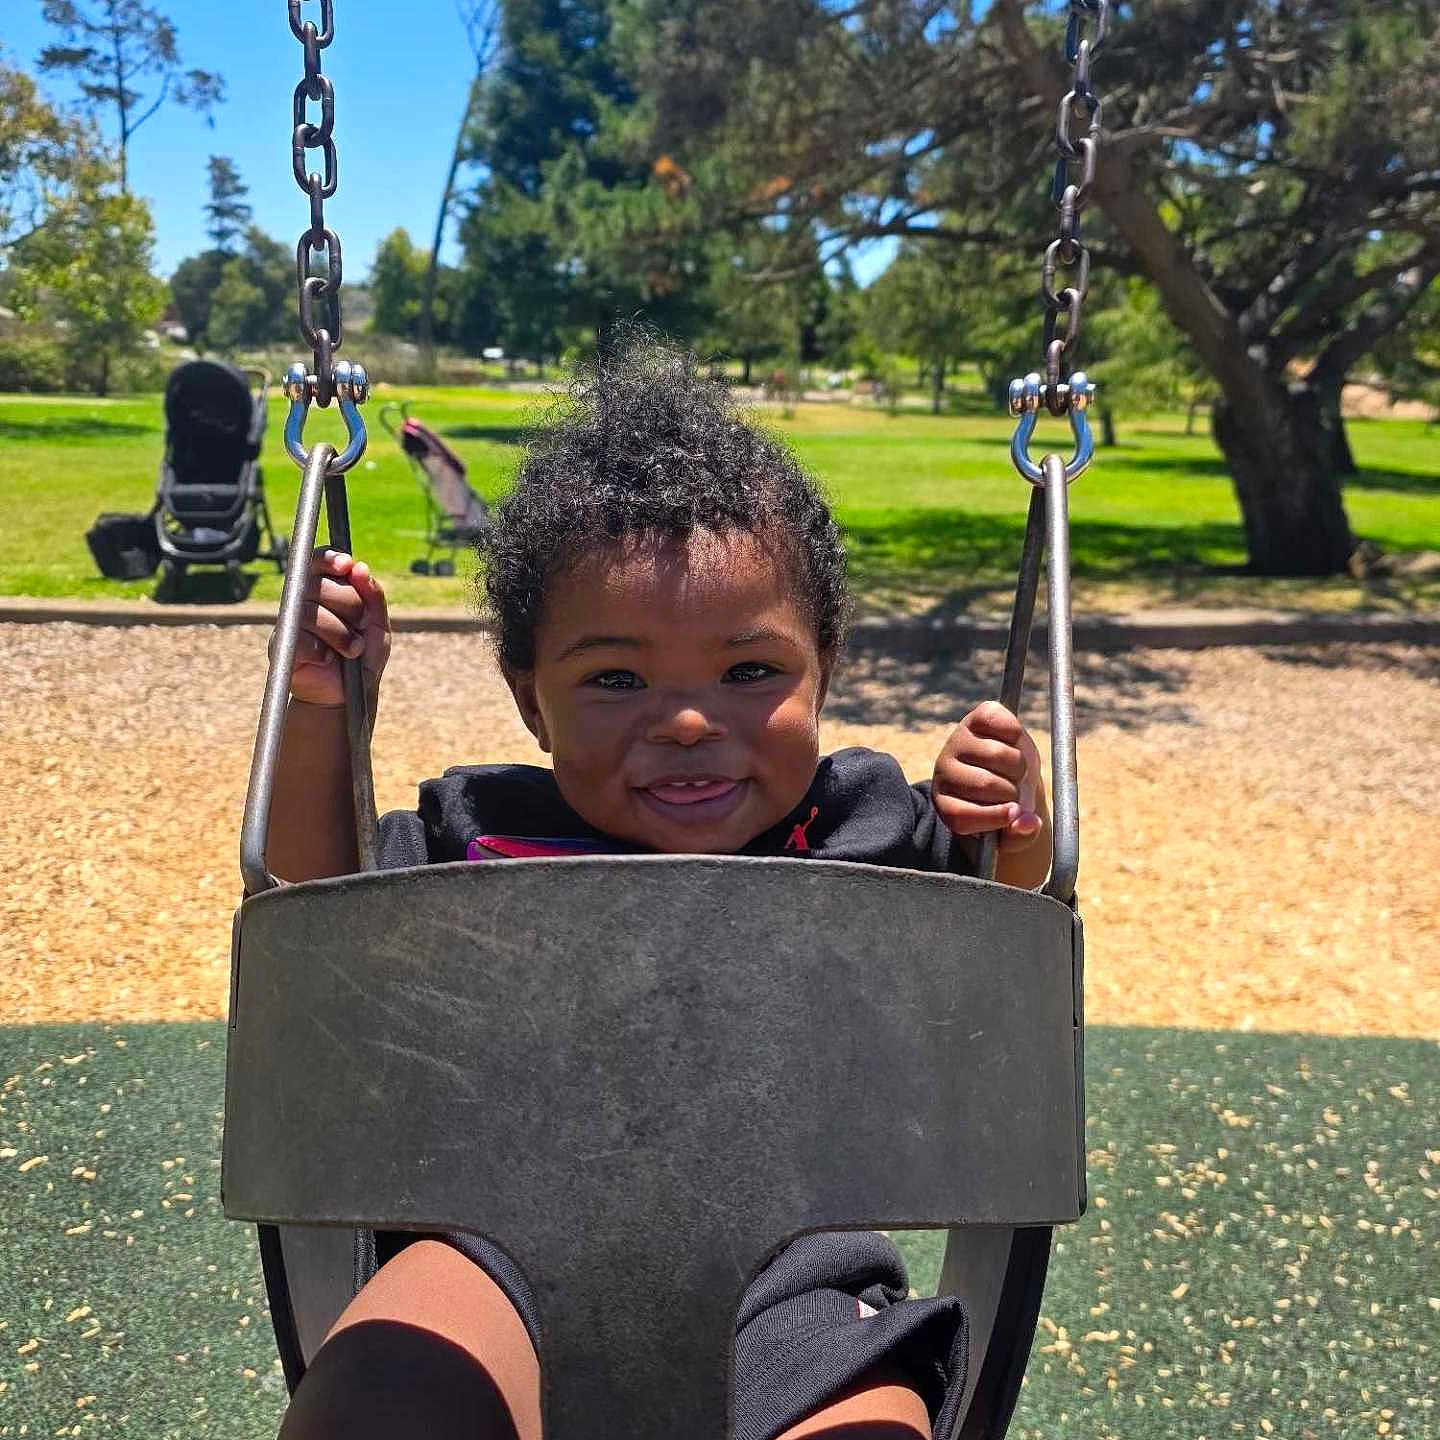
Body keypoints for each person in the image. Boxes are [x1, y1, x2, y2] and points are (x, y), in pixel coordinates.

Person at [267, 337, 1051, 1440]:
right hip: (494, 1245)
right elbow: (316, 926)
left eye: (750, 672)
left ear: (825, 662)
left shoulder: (867, 821)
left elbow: (1007, 956)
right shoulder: (480, 835)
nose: (688, 722)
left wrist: (1010, 822)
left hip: (795, 1272)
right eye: (618, 678)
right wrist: (318, 715)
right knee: (376, 1411)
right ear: (530, 699)